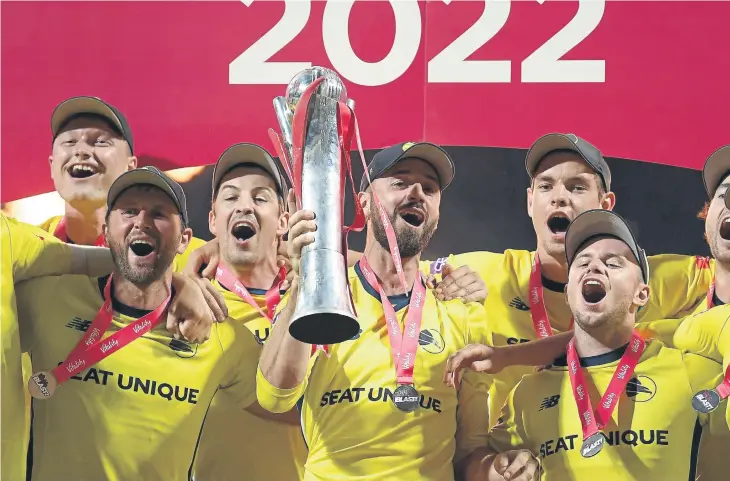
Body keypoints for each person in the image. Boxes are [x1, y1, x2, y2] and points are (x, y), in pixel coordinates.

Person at [256, 143, 532, 481]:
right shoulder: (324, 295)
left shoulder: (461, 311)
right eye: (400, 182)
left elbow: (469, 452)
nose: (417, 191)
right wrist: (305, 285)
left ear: (437, 212)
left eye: (429, 188)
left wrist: (495, 471)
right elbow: (274, 395)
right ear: (364, 202)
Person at [15, 167, 269, 481]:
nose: (142, 221)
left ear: (183, 239)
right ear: (107, 232)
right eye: (129, 211)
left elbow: (290, 408)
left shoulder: (220, 336)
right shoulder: (48, 297)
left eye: (159, 214)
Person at [461, 209, 728, 481]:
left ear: (642, 294)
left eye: (613, 263)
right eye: (582, 262)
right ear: (568, 293)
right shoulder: (526, 395)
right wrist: (496, 469)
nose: (594, 267)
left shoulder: (693, 372)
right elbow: (472, 467)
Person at [193, 143, 307, 481]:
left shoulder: (320, 299)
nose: (245, 205)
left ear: (284, 220)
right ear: (213, 220)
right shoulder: (194, 300)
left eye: (260, 198)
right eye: (230, 198)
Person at [39, 95, 205, 268]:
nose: (81, 151)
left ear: (130, 166)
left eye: (101, 142)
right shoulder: (24, 246)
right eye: (69, 142)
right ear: (52, 165)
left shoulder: (186, 254)